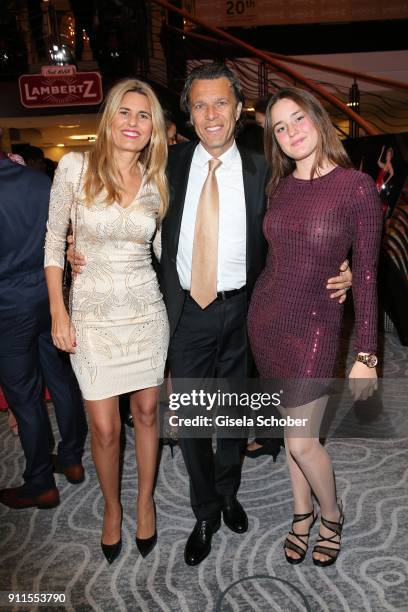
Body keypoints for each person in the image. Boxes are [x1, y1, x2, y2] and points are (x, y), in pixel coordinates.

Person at [68, 64, 352, 566]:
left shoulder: (265, 168)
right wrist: (79, 247)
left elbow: (308, 217)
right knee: (197, 418)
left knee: (234, 416)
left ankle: (228, 494)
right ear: (189, 114)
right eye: (199, 105)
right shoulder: (167, 165)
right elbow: (121, 212)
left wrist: (343, 263)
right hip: (184, 313)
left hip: (246, 309)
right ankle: (204, 509)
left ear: (239, 111)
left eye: (220, 103)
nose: (210, 114)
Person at [247, 87, 383, 567]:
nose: (290, 132)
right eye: (279, 127)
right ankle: (300, 512)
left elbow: (365, 274)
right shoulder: (279, 186)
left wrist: (367, 354)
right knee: (291, 432)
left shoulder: (355, 186)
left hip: (316, 324)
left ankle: (332, 513)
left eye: (297, 119)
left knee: (303, 439)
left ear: (319, 120)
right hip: (266, 319)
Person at [44, 78, 169, 564]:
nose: (133, 123)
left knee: (147, 415)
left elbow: (164, 253)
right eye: (125, 112)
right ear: (109, 118)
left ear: (153, 127)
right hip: (92, 317)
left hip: (145, 314)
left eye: (144, 115)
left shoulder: (158, 180)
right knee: (103, 428)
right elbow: (55, 241)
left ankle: (144, 502)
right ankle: (112, 507)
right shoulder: (74, 168)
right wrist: (59, 308)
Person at [0, 146, 87, 511]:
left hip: (7, 302)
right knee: (61, 378)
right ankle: (71, 457)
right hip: (47, 293)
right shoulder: (39, 181)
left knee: (24, 397)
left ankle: (39, 483)